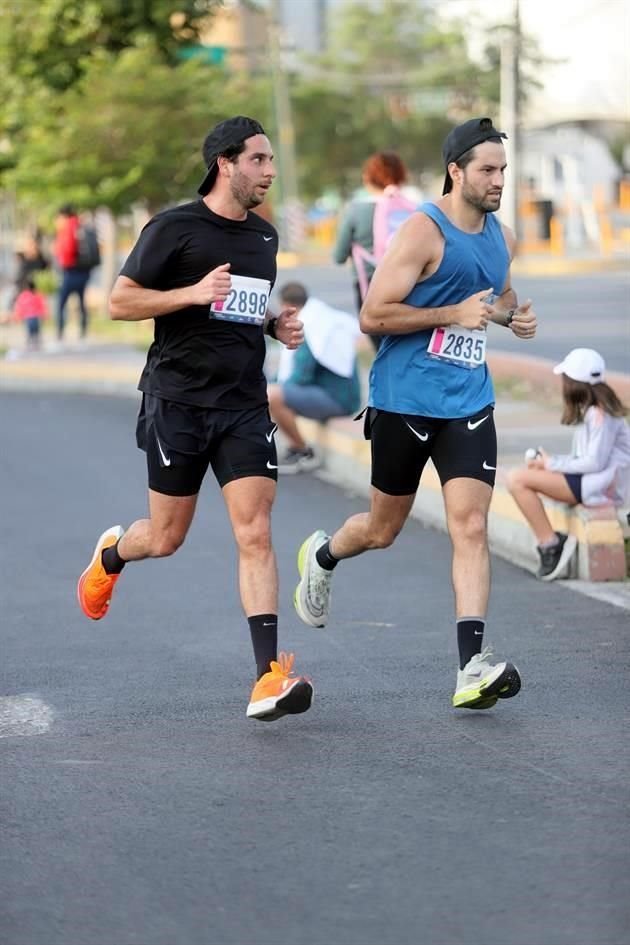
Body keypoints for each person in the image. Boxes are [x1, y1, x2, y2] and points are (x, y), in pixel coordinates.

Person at [294, 116, 538, 711]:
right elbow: (373, 316)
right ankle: (323, 555)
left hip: (469, 403)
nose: (498, 180)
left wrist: (512, 318)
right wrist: (450, 314)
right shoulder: (421, 232)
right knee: (383, 530)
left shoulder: (500, 237)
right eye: (487, 169)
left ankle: (470, 668)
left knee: (471, 526)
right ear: (456, 172)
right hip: (404, 400)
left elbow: (496, 297)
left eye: (502, 170)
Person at [76, 115, 313, 723]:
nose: (269, 171)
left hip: (242, 404)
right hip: (176, 403)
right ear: (225, 163)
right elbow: (120, 300)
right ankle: (110, 557)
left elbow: (242, 308)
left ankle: (268, 677)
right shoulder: (173, 228)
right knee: (166, 538)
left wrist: (272, 325)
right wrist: (190, 293)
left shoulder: (263, 238)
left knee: (254, 530)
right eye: (258, 160)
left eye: (269, 160)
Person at [507, 348, 630, 581]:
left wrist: (552, 463)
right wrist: (549, 465)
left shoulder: (600, 414)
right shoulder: (595, 409)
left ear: (573, 383)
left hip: (599, 488)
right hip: (593, 483)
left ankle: (550, 545)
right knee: (525, 475)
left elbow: (594, 462)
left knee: (517, 479)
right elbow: (587, 459)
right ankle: (550, 543)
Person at [267, 282, 362, 473]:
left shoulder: (309, 326)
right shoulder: (321, 319)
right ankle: (297, 448)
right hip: (339, 395)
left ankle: (302, 450)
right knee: (274, 391)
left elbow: (301, 375)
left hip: (337, 399)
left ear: (286, 306)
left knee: (272, 396)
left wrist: (279, 389)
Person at [333, 151, 411, 351]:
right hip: (410, 287)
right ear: (401, 175)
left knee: (383, 351)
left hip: (370, 289)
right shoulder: (413, 209)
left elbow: (339, 256)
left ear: (368, 178)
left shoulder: (356, 211)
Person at [53, 205, 91, 342]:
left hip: (71, 270)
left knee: (61, 302)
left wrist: (62, 261)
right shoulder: (79, 225)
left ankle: (60, 333)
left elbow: (68, 250)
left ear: (63, 216)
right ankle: (83, 331)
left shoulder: (69, 227)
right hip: (84, 271)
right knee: (81, 301)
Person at [12, 277, 48, 351]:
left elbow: (20, 306)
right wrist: (44, 315)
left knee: (30, 333)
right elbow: (42, 306)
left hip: (28, 319)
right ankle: (37, 345)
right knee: (37, 333)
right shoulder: (38, 295)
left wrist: (18, 316)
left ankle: (30, 345)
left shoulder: (24, 295)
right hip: (36, 318)